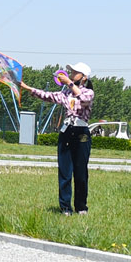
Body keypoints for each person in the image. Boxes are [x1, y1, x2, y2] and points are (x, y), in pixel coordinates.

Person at [20, 62, 95, 215]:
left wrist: (68, 83)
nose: (71, 74)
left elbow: (83, 99)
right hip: (66, 132)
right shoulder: (65, 94)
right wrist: (27, 88)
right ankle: (65, 208)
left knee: (81, 173)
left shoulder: (88, 92)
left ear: (84, 77)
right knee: (65, 172)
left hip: (81, 133)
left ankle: (81, 207)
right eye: (71, 72)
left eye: (75, 72)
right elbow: (47, 96)